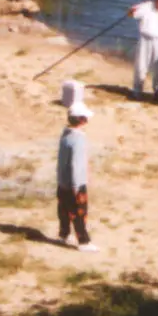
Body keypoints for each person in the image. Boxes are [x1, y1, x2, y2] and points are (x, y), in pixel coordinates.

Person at [57, 101, 96, 251]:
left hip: (63, 182)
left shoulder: (65, 134)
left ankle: (64, 234)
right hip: (75, 183)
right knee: (79, 212)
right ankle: (83, 241)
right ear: (81, 119)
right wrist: (77, 186)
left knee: (64, 211)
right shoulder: (78, 138)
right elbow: (76, 164)